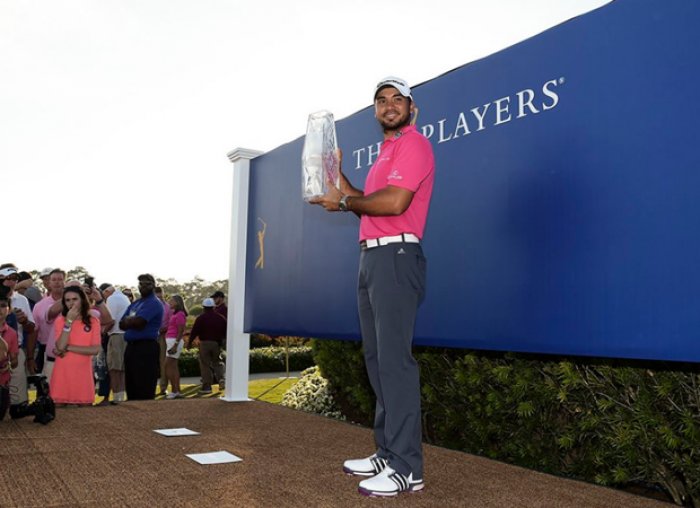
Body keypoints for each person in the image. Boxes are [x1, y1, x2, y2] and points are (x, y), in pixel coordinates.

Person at [310, 76, 435, 497]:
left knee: (395, 363)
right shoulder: (386, 152)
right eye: (381, 100)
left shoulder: (415, 144)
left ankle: (407, 468)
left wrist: (344, 200)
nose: (389, 105)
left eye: (397, 99)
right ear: (376, 111)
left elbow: (395, 203)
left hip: (397, 257)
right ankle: (388, 451)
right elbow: (369, 205)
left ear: (411, 109)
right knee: (377, 359)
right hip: (373, 256)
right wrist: (338, 177)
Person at [50, 286, 101, 405]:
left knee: (84, 415)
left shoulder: (93, 321)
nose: (71, 303)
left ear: (82, 300)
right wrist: (69, 322)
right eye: (67, 300)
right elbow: (60, 346)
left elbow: (95, 349)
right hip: (62, 373)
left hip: (83, 375)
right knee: (59, 414)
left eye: (74, 299)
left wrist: (69, 347)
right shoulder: (60, 321)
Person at [119, 274, 163, 400]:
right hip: (131, 348)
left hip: (146, 348)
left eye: (147, 284)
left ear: (154, 286)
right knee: (131, 386)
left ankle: (146, 417)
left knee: (144, 387)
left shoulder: (154, 303)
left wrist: (130, 320)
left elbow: (140, 323)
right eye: (141, 284)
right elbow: (121, 324)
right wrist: (131, 321)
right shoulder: (136, 303)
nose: (143, 286)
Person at [1, 265, 37, 407]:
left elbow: (31, 328)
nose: (10, 282)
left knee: (18, 398)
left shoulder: (22, 300)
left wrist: (24, 321)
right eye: (6, 278)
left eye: (14, 278)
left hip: (16, 351)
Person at [32, 268, 65, 379]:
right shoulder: (39, 305)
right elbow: (34, 331)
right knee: (45, 385)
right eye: (53, 279)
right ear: (49, 283)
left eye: (60, 279)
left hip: (69, 347)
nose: (57, 282)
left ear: (65, 281)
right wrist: (30, 357)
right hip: (45, 348)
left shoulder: (75, 301)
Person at [188, 298, 226, 394]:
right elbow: (225, 331)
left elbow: (194, 332)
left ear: (204, 307)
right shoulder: (220, 318)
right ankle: (221, 379)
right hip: (216, 344)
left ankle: (207, 386)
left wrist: (189, 343)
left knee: (205, 365)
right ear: (213, 307)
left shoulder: (201, 318)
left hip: (204, 343)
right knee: (217, 362)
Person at [100, 284, 130, 404]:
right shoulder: (124, 297)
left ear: (106, 291)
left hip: (116, 336)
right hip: (124, 335)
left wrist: (102, 332)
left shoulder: (112, 298)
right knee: (121, 368)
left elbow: (110, 320)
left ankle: (117, 396)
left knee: (114, 367)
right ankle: (119, 396)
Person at [0, 287, 19, 420]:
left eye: (3, 306)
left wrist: (9, 365)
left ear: (9, 309)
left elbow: (14, 360)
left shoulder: (11, 333)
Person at [163, 295, 187, 399]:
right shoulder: (175, 313)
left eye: (171, 301)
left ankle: (174, 390)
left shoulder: (180, 314)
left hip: (174, 341)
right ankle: (177, 391)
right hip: (171, 341)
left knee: (167, 365)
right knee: (173, 366)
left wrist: (175, 345)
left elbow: (181, 330)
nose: (169, 302)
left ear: (177, 302)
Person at [155, 286, 172, 396]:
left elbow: (171, 323)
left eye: (160, 295)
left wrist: (162, 330)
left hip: (162, 336)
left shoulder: (168, 307)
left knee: (163, 363)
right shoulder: (151, 306)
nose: (159, 297)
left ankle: (163, 387)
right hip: (151, 336)